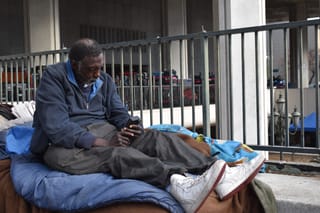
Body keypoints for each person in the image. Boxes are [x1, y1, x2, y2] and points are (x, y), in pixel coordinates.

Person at [30, 38, 264, 213]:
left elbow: (117, 112)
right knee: (118, 155)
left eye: (100, 67)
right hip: (63, 145)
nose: (97, 73)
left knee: (156, 137)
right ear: (74, 64)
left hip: (103, 129)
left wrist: (130, 125)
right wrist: (103, 142)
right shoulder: (53, 78)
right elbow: (57, 127)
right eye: (91, 69)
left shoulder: (103, 79)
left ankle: (219, 171)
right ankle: (177, 181)